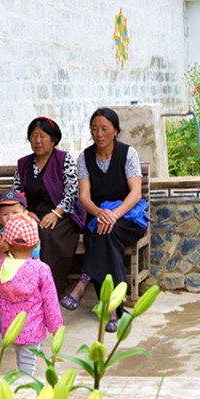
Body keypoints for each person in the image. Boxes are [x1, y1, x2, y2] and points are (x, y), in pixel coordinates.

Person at [61, 107, 148, 332]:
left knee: (107, 233)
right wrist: (101, 214)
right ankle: (114, 311)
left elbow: (135, 193)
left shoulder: (128, 154)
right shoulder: (85, 157)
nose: (99, 134)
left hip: (129, 219)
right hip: (99, 220)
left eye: (104, 128)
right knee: (106, 236)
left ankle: (84, 281)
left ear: (116, 131)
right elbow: (84, 197)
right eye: (94, 129)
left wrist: (114, 215)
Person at [0, 213, 62, 375]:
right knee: (27, 365)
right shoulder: (41, 270)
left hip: (10, 329)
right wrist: (56, 327)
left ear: (6, 242)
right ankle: (26, 385)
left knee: (20, 356)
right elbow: (51, 301)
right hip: (33, 331)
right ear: (37, 243)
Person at [13, 116, 85, 298]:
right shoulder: (23, 164)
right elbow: (16, 193)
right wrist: (25, 212)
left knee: (47, 235)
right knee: (16, 233)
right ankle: (20, 288)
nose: (38, 141)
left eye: (43, 136)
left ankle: (50, 290)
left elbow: (72, 191)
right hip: (31, 214)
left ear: (53, 139)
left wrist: (56, 213)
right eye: (33, 136)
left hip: (62, 214)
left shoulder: (63, 159)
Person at [0, 190, 40, 262]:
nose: (10, 217)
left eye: (15, 213)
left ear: (25, 213)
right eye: (5, 214)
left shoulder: (30, 231)